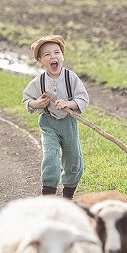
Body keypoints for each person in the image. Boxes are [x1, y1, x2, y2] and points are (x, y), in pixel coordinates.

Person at [22, 34, 89, 198]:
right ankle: (49, 194)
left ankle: (68, 195)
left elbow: (82, 99)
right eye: (47, 54)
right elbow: (27, 99)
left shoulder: (70, 77)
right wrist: (36, 104)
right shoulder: (39, 81)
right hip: (48, 123)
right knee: (51, 155)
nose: (53, 57)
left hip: (68, 123)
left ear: (62, 55)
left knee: (73, 158)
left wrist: (69, 104)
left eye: (57, 52)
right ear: (40, 61)